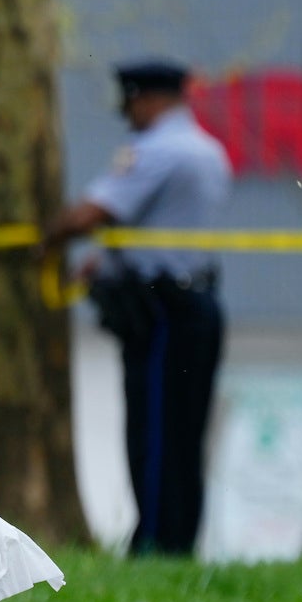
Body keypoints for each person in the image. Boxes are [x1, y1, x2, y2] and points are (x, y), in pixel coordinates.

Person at [45, 59, 232, 556]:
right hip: (198, 300)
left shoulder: (157, 150)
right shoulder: (207, 149)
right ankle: (177, 540)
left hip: (163, 309)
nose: (129, 115)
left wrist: (46, 235)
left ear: (147, 98)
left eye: (131, 103)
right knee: (185, 432)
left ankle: (153, 543)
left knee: (153, 430)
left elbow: (93, 214)